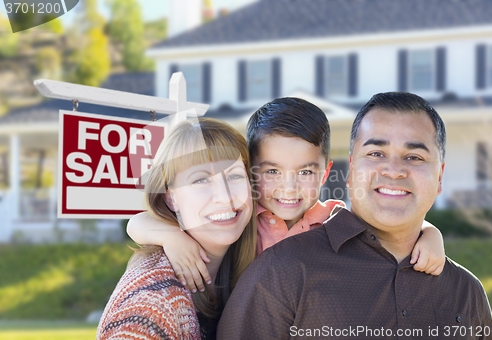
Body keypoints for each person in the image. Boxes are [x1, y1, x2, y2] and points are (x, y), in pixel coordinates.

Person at [217, 92, 492, 340]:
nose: (394, 170)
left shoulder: (466, 291)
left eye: (414, 157)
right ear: (350, 171)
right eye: (376, 153)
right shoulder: (279, 268)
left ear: (439, 178)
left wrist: (431, 232)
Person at [127, 97, 446, 294]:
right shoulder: (239, 219)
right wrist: (174, 239)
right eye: (272, 171)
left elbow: (390, 229)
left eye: (305, 172)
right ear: (250, 171)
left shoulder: (336, 219)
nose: (289, 188)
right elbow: (138, 222)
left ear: (325, 172)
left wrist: (431, 234)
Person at [96, 118, 257, 340]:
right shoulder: (150, 300)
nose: (224, 196)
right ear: (171, 198)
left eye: (235, 176)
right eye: (201, 180)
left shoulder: (256, 259)